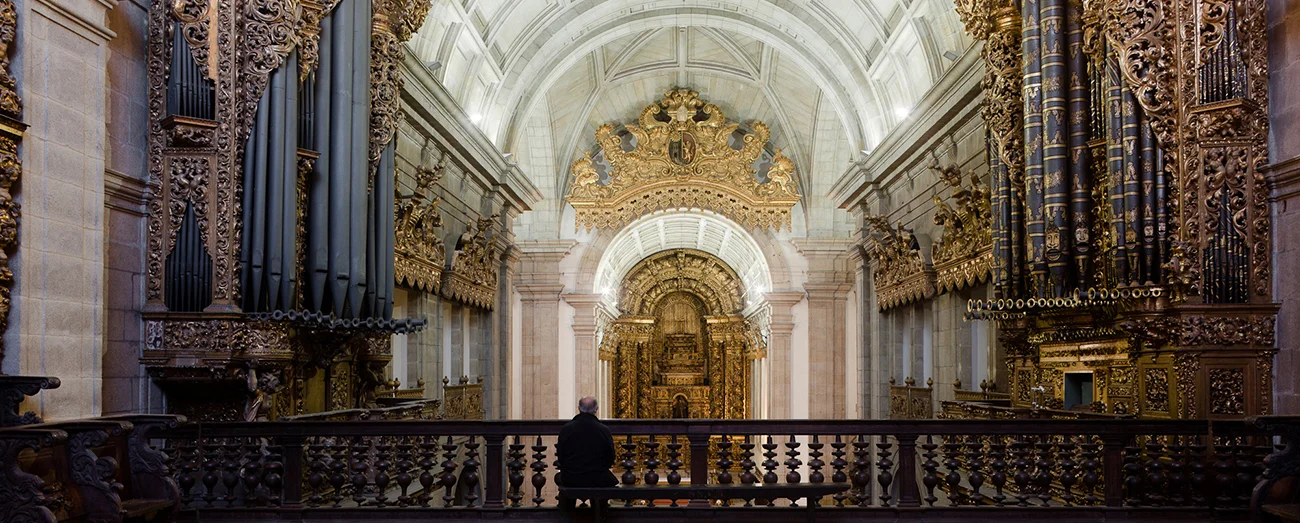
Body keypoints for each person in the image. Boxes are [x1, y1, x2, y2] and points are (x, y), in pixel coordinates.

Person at [556, 396, 618, 508]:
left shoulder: (567, 429)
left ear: (579, 409)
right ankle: (600, 514)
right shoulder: (603, 430)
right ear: (596, 409)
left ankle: (567, 515)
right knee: (602, 488)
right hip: (597, 477)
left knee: (564, 482)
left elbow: (561, 456)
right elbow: (610, 458)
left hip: (572, 477)